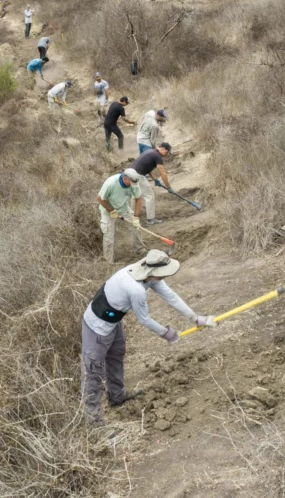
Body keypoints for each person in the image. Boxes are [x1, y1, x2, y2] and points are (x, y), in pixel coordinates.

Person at [81, 249, 214, 426]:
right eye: (162, 274)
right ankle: (94, 422)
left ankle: (117, 396)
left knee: (116, 356)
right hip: (96, 327)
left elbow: (171, 297)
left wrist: (195, 318)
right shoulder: (136, 289)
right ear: (152, 273)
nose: (163, 278)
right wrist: (166, 333)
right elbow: (144, 320)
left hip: (114, 321)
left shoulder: (147, 275)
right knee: (93, 373)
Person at [96, 168, 145, 263]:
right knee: (108, 237)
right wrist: (112, 211)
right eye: (130, 183)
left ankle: (139, 249)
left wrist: (136, 217)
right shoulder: (110, 184)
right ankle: (108, 261)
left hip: (124, 209)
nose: (132, 186)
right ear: (125, 179)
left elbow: (138, 198)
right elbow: (100, 199)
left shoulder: (134, 182)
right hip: (108, 211)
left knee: (136, 227)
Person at [130, 143, 172, 226]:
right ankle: (151, 219)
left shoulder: (150, 152)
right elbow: (163, 173)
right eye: (166, 152)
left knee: (135, 195)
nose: (166, 154)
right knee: (149, 195)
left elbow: (148, 168)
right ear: (162, 148)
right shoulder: (157, 156)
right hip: (138, 175)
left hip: (130, 173)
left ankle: (131, 216)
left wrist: (155, 179)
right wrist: (169, 187)